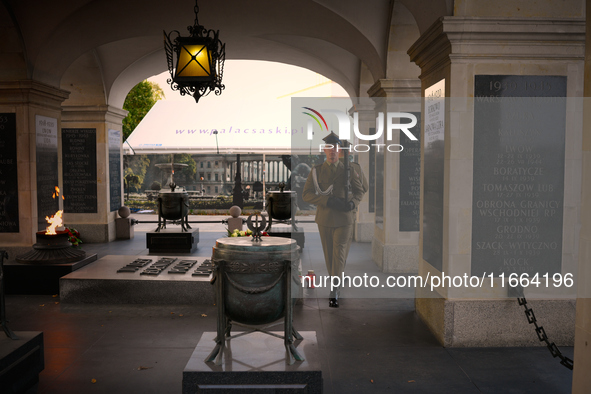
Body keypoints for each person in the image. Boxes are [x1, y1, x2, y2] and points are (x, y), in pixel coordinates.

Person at [302, 132, 368, 307]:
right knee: (329, 254)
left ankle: (334, 288)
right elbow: (306, 194)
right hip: (324, 218)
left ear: (340, 151)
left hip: (344, 218)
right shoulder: (316, 171)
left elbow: (360, 190)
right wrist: (327, 200)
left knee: (338, 252)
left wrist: (353, 204)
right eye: (329, 148)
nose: (332, 152)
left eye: (335, 148)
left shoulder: (350, 169)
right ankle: (337, 277)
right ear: (325, 150)